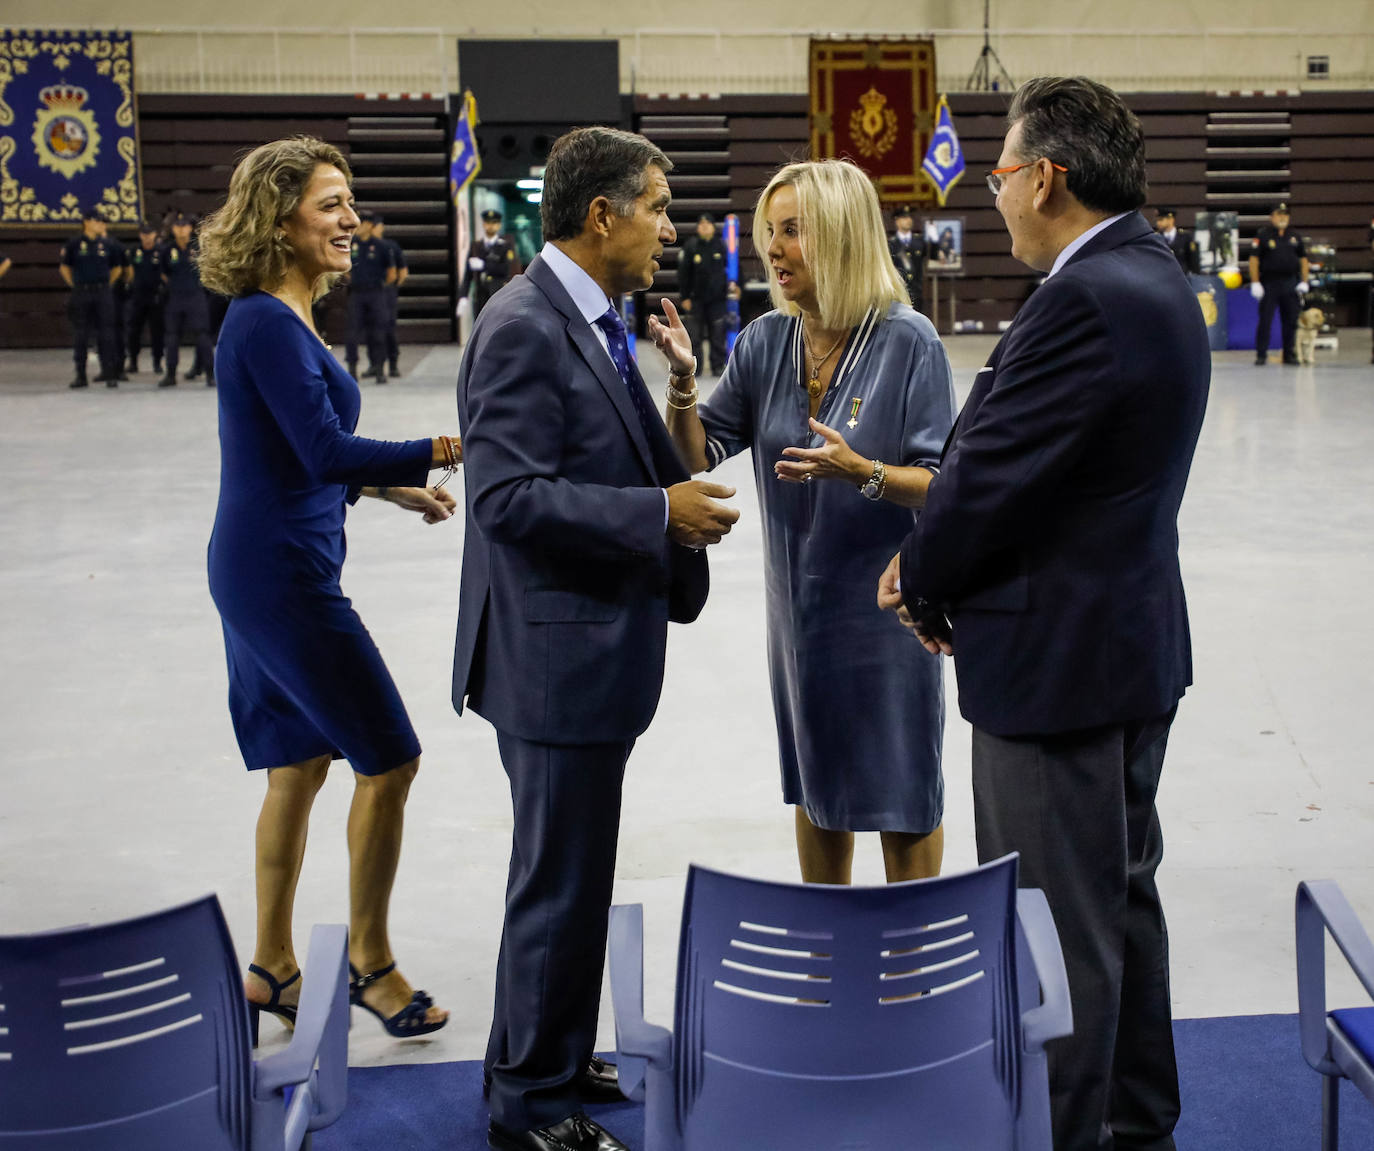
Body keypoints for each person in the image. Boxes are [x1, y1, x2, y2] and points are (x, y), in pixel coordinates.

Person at [879, 77, 1210, 1151]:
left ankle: (1067, 1133)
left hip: (1058, 667)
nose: (997, 198)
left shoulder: (1082, 297)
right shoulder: (1150, 272)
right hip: (1125, 647)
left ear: (1049, 178)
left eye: (1003, 175)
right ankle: (1134, 1120)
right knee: (1120, 906)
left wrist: (924, 577)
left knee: (1056, 939)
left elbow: (988, 477)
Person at [452, 126, 738, 1151]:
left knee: (570, 878)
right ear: (601, 214)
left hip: (584, 653)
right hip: (551, 658)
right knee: (557, 884)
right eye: (658, 207)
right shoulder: (526, 325)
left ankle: (553, 1055)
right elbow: (508, 497)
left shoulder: (601, 321)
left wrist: (674, 402)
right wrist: (660, 515)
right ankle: (530, 1103)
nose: (672, 227)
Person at [198, 135, 457, 1047]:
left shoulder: (281, 316)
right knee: (389, 757)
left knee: (299, 764)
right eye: (332, 205)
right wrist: (440, 447)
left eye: (351, 204)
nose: (351, 221)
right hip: (282, 577)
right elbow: (319, 451)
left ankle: (270, 965)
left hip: (261, 563)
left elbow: (298, 456)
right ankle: (371, 964)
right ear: (280, 219)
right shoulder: (267, 320)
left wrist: (392, 489)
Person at [654, 159, 954, 886]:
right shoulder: (763, 341)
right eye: (771, 233)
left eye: (794, 231)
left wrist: (865, 472)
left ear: (845, 237)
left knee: (904, 793)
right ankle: (833, 954)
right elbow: (697, 452)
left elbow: (944, 485)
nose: (775, 249)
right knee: (817, 788)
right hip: (798, 618)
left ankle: (908, 972)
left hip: (887, 616)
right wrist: (686, 382)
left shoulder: (909, 342)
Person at [59, 207, 120, 388]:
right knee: (81, 334)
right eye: (97, 220)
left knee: (107, 334)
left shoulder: (108, 244)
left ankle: (109, 373)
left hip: (102, 292)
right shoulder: (74, 244)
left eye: (102, 221)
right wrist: (75, 284)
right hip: (81, 292)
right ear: (86, 222)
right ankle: (80, 375)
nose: (101, 224)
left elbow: (116, 268)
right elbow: (65, 267)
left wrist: (107, 284)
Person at [158, 212, 215, 388]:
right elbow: (163, 273)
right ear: (173, 229)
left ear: (190, 228)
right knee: (172, 337)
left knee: (202, 336)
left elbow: (209, 269)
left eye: (184, 226)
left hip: (195, 296)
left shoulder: (199, 247)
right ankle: (171, 373)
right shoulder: (167, 249)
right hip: (175, 296)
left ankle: (210, 374)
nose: (181, 230)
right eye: (177, 227)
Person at [1249, 201, 1309, 365]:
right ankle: (1261, 354)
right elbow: (1254, 259)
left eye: (1285, 214)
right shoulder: (1263, 235)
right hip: (1270, 283)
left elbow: (1303, 259)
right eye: (1279, 214)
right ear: (1272, 217)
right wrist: (1255, 282)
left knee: (1290, 320)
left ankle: (1289, 353)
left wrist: (1304, 281)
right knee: (1265, 320)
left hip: (1290, 282)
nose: (1283, 217)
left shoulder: (1295, 236)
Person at [676, 211, 731, 376]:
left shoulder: (721, 246)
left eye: (708, 224)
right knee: (694, 336)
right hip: (695, 299)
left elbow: (733, 270)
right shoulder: (691, 246)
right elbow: (683, 273)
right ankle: (696, 367)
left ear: (713, 228)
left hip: (717, 299)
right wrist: (684, 297)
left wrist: (735, 287)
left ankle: (717, 365)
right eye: (701, 224)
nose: (704, 227)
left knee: (718, 334)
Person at [345, 207, 394, 383]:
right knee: (352, 333)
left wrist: (381, 286)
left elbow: (391, 272)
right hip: (357, 294)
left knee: (378, 332)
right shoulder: (351, 244)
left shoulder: (380, 246)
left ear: (367, 225)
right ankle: (352, 369)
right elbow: (345, 269)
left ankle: (380, 369)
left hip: (376, 293)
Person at [125, 219, 166, 376]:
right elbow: (128, 273)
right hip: (138, 297)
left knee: (157, 332)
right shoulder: (134, 252)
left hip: (156, 297)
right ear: (140, 235)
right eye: (144, 234)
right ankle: (133, 361)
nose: (147, 237)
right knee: (134, 331)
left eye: (150, 234)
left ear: (155, 235)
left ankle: (157, 362)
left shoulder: (161, 251)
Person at [461, 207, 517, 320]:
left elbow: (506, 269)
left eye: (494, 223)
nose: (490, 226)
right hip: (480, 296)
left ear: (499, 225)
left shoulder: (505, 245)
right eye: (487, 222)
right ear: (483, 224)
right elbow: (468, 275)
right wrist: (463, 296)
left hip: (498, 294)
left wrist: (484, 266)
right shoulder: (476, 246)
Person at [373, 214, 407, 377]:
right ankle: (374, 364)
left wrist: (391, 288)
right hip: (371, 292)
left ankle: (393, 363)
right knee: (372, 329)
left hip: (387, 292)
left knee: (388, 328)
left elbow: (402, 271)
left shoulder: (390, 246)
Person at [888, 204, 927, 313]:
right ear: (897, 221)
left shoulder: (919, 241)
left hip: (916, 292)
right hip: (898, 293)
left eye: (910, 217)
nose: (908, 220)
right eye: (904, 218)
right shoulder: (891, 244)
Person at [1154, 207, 1199, 275]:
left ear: (1171, 220)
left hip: (1182, 277)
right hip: (1162, 277)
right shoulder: (1156, 238)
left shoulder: (1185, 237)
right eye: (1157, 220)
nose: (1158, 223)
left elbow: (1193, 260)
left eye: (1161, 220)